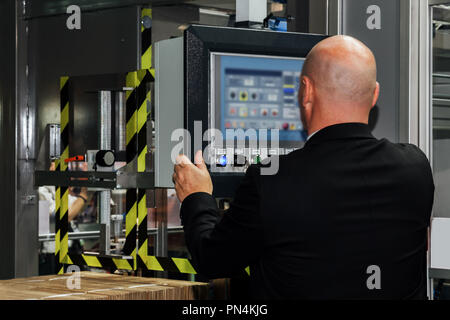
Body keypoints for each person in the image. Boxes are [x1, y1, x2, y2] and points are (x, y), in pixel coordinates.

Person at [172, 35, 435, 299]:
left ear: (306, 91)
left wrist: (197, 196)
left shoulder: (271, 180)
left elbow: (213, 260)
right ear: (375, 93)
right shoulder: (416, 168)